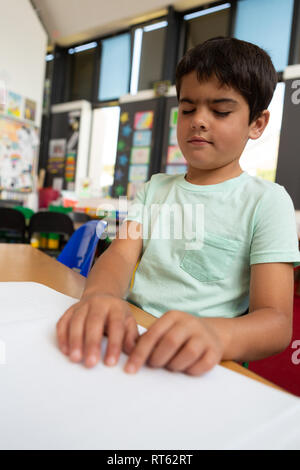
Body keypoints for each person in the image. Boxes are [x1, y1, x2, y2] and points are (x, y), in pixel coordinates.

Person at [57, 37, 300, 376]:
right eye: (187, 109)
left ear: (257, 124)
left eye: (220, 110)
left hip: (197, 361)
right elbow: (120, 256)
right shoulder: (155, 188)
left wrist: (216, 333)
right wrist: (102, 296)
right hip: (131, 340)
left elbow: (276, 322)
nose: (198, 120)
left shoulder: (268, 202)